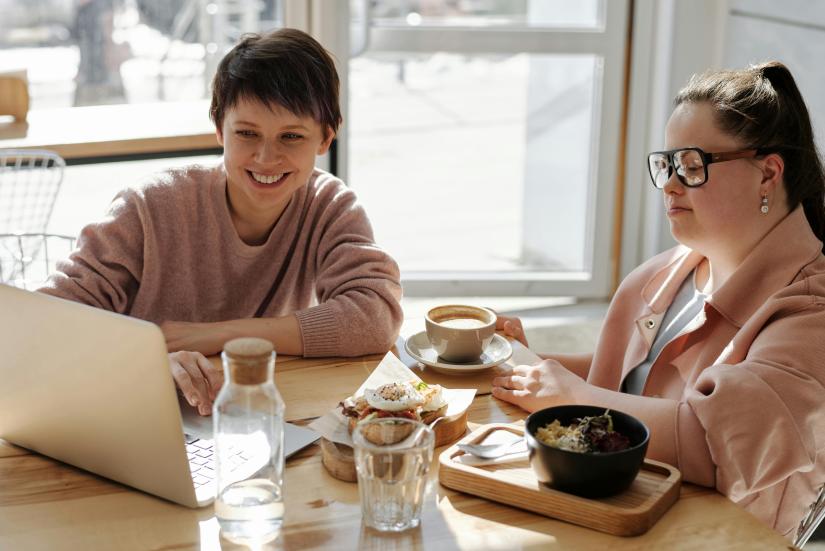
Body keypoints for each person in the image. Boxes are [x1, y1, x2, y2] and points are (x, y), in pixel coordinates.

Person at [493, 61, 825, 539]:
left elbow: (712, 443)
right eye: (667, 165)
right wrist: (527, 362)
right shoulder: (673, 269)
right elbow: (635, 376)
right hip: (613, 514)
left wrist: (573, 396)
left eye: (692, 167)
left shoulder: (811, 316)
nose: (670, 184)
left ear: (768, 174)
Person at [39, 29, 403, 416]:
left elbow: (375, 316)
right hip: (132, 409)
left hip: (250, 411)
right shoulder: (150, 205)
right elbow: (48, 319)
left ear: (325, 138)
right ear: (219, 128)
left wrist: (218, 335)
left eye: (291, 137)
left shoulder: (329, 206)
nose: (266, 157)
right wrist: (146, 360)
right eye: (247, 133)